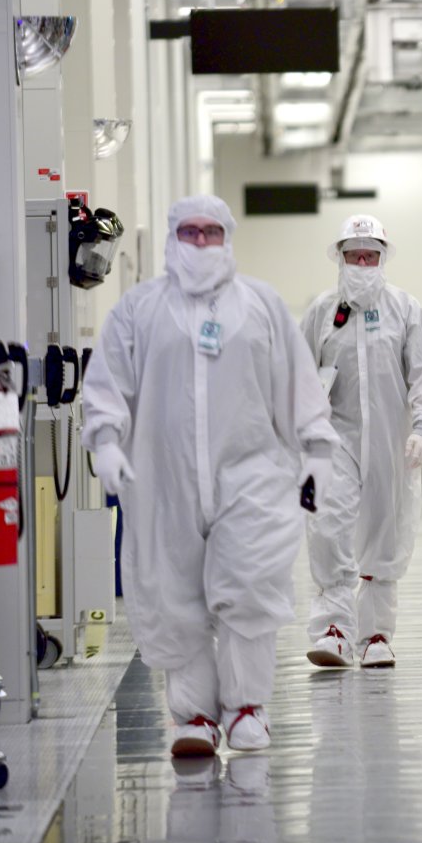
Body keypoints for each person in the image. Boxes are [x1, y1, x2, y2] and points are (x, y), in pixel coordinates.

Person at [82, 195, 339, 757]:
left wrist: (317, 449)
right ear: (173, 237)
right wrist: (104, 439)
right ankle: (195, 715)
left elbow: (297, 382)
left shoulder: (262, 305)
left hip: (252, 477)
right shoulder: (139, 309)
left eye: (211, 232)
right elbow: (108, 382)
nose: (201, 242)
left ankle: (248, 707)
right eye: (190, 232)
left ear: (228, 237)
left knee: (249, 587)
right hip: (163, 481)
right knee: (175, 597)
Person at [301, 215, 422, 670]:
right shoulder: (322, 312)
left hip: (389, 440)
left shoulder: (405, 309)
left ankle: (376, 635)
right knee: (328, 527)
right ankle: (334, 630)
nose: (362, 263)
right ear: (339, 258)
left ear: (383, 259)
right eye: (354, 255)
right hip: (333, 439)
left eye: (370, 256)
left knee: (386, 531)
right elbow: (299, 377)